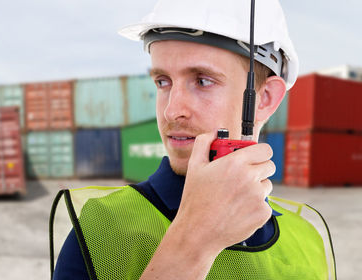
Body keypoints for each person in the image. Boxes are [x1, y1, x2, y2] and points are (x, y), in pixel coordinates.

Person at [50, 0, 335, 279]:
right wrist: (194, 242)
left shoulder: (308, 238)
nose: (172, 110)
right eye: (163, 81)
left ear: (264, 99)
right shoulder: (102, 229)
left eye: (202, 81)